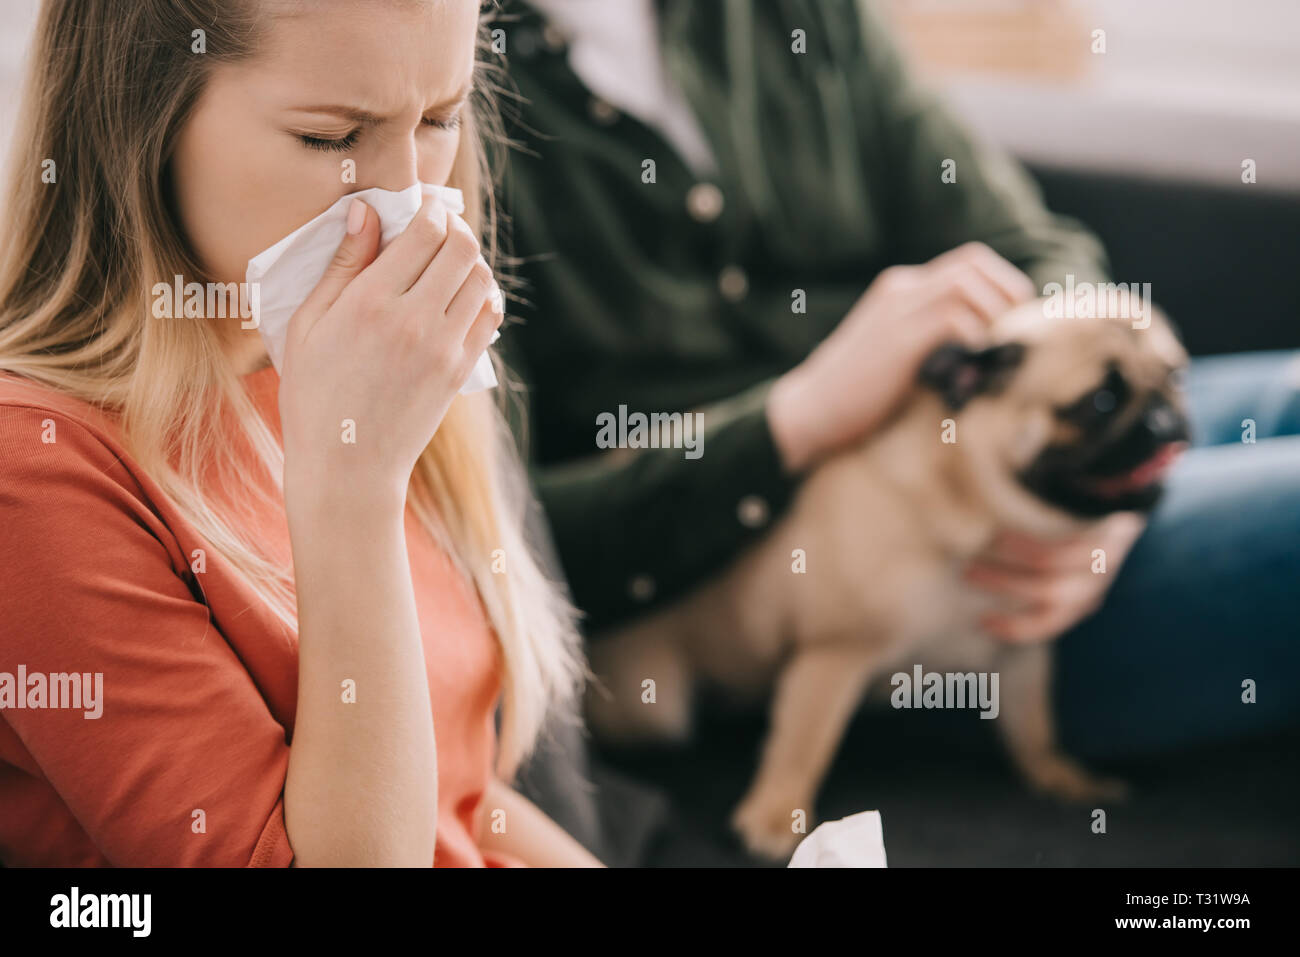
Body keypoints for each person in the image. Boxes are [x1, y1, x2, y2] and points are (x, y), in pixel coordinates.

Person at [494, 0, 1300, 854]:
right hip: (938, 593)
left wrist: (1093, 467)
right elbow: (504, 530)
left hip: (1030, 470)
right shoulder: (449, 78)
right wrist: (792, 419)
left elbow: (1033, 246)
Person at [0, 0, 601, 867]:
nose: (406, 199)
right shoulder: (36, 475)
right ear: (142, 116)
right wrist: (352, 483)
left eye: (438, 119)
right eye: (332, 138)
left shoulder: (356, 359)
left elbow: (459, 801)